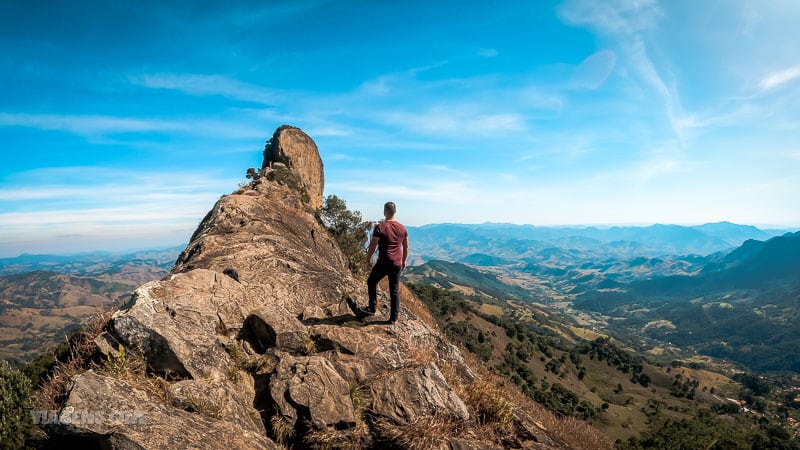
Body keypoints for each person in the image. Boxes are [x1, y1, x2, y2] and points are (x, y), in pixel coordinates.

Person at [362, 201, 409, 324]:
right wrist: (404, 261)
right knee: (394, 290)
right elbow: (406, 247)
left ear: (384, 211)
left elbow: (373, 244)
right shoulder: (402, 228)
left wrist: (368, 259)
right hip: (397, 263)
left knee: (371, 281)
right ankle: (394, 318)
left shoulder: (380, 227)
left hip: (384, 262)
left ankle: (372, 307)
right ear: (395, 211)